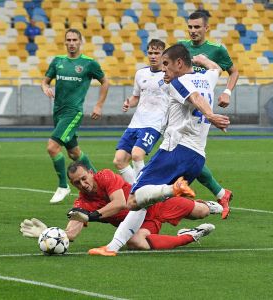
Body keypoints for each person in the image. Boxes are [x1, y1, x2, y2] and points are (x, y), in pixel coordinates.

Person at [89, 44, 230, 256]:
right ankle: (111, 248)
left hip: (175, 151)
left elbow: (195, 98)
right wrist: (203, 60)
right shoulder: (207, 78)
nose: (163, 69)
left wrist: (210, 115)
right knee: (142, 204)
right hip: (197, 157)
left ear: (179, 63)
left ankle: (171, 190)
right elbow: (216, 69)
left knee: (135, 199)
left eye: (166, 64)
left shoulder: (178, 81)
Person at [20, 162, 222, 253]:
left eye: (83, 178)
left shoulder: (105, 176)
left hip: (156, 205)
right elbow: (71, 234)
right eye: (77, 183)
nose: (82, 184)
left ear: (91, 173)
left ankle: (206, 205)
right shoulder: (81, 203)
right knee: (135, 243)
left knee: (201, 212)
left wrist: (91, 216)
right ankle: (190, 236)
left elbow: (120, 203)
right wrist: (47, 234)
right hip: (140, 224)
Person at [178, 9, 241, 219]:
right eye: (190, 27)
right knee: (188, 154)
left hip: (200, 111)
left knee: (185, 153)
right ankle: (220, 194)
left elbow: (234, 71)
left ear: (207, 28)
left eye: (197, 27)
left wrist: (227, 91)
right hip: (180, 107)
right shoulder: (181, 48)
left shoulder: (216, 50)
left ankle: (174, 192)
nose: (193, 31)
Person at [41, 28, 109, 204]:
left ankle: (63, 185)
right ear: (65, 42)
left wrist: (99, 105)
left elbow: (105, 81)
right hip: (58, 112)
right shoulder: (58, 61)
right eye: (68, 40)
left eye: (74, 40)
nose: (71, 43)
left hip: (73, 113)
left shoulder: (88, 63)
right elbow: (45, 80)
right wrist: (45, 87)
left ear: (80, 42)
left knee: (52, 147)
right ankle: (101, 182)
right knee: (74, 153)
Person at [113, 39, 169, 184]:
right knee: (119, 160)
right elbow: (136, 97)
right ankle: (139, 191)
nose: (153, 56)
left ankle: (139, 196)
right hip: (136, 123)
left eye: (157, 53)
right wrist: (128, 103)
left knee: (137, 155)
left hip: (154, 124)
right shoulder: (140, 73)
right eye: (150, 52)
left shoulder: (170, 75)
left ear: (164, 55)